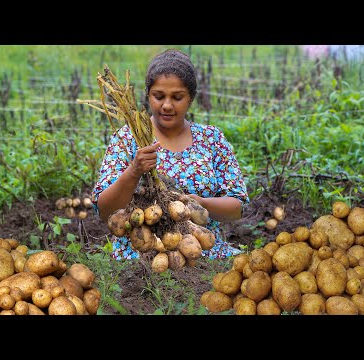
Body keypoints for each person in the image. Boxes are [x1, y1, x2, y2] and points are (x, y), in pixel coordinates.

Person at [91, 49, 249, 260]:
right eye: (158, 96)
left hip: (203, 253)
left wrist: (198, 203)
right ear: (148, 95)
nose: (166, 105)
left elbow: (237, 207)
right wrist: (134, 171)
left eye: (177, 97)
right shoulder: (128, 139)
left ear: (191, 98)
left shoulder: (212, 139)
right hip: (141, 258)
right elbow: (104, 210)